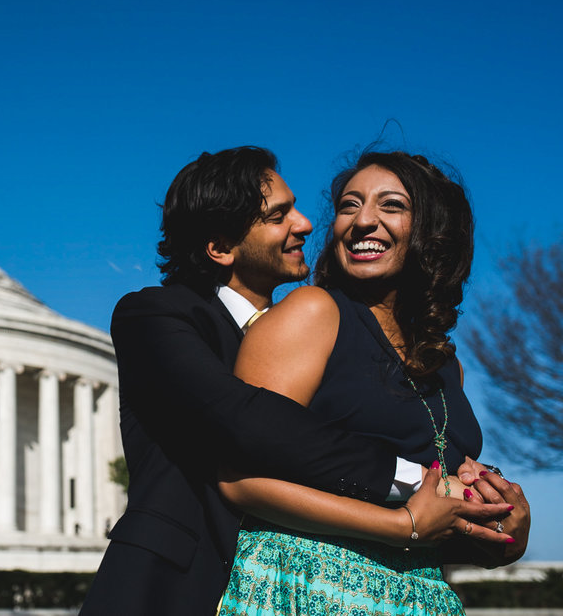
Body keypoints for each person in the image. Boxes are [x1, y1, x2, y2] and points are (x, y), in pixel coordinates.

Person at [78, 148, 517, 616]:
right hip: (192, 583)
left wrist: (496, 519)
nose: (307, 224)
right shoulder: (160, 316)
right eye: (278, 215)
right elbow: (247, 419)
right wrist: (418, 485)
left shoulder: (423, 357)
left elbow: (426, 508)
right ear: (221, 247)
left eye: (390, 205)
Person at [216, 151, 530, 614]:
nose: (363, 221)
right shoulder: (312, 313)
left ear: (433, 230)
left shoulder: (448, 364)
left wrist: (504, 531)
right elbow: (241, 481)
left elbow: (431, 512)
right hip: (307, 586)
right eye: (349, 205)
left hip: (421, 595)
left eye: (391, 206)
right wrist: (406, 526)